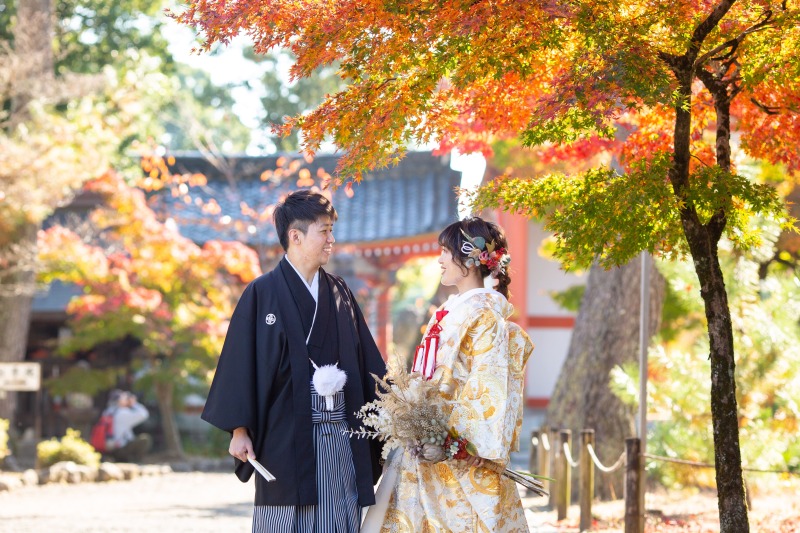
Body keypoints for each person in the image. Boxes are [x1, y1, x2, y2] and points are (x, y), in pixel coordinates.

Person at [201, 190, 386, 532]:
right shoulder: (261, 293)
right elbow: (240, 365)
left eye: (331, 230)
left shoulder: (340, 292)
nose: (331, 239)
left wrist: (394, 414)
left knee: (338, 516)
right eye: (324, 231)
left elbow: (367, 364)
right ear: (295, 236)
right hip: (284, 435)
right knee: (283, 516)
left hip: (339, 432)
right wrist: (239, 430)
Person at [377, 217, 534, 532]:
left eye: (446, 252)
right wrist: (416, 420)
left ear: (471, 259)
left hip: (457, 452)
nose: (439, 259)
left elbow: (489, 388)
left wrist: (459, 444)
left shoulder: (485, 317)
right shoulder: (450, 311)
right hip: (427, 444)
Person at [106, 390, 152, 463]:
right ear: (119, 401)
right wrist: (133, 403)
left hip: (109, 449)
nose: (127, 399)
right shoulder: (122, 413)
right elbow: (144, 414)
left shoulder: (107, 412)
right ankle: (135, 461)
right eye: (125, 398)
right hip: (120, 450)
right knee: (145, 439)